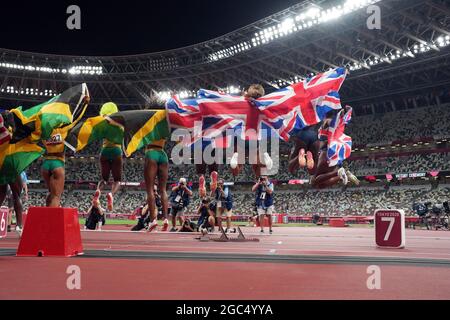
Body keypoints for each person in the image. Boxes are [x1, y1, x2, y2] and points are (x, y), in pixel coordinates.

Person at [94, 102, 123, 211]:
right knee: (117, 180)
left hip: (105, 150)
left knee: (104, 179)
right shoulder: (121, 124)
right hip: (116, 150)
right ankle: (111, 194)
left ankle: (98, 192)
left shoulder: (103, 124)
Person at [143, 138, 170, 232]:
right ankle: (166, 218)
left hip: (151, 153)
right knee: (163, 190)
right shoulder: (164, 125)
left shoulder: (148, 124)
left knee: (150, 189)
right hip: (163, 154)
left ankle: (152, 220)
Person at [41, 128, 67, 207]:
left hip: (45, 164)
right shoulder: (64, 131)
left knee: (51, 193)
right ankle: (51, 219)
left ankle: (47, 215)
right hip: (57, 163)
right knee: (56, 196)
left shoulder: (46, 132)